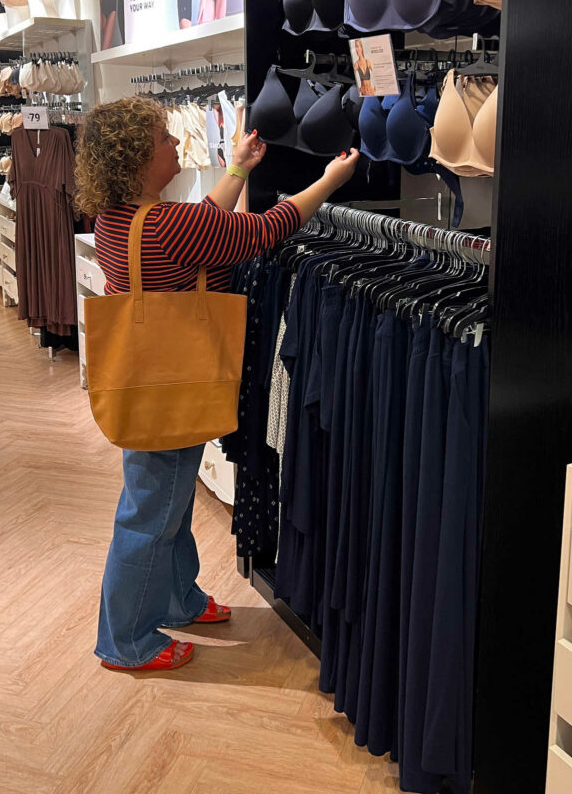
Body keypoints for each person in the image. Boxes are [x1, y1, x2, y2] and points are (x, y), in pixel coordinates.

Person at [74, 95, 359, 671]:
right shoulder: (171, 224)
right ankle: (123, 640)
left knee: (166, 506)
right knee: (149, 515)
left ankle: (179, 598)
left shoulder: (120, 220)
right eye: (162, 139)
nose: (175, 143)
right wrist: (329, 180)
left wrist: (236, 169)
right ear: (136, 159)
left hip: (149, 386)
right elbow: (262, 229)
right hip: (172, 389)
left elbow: (205, 227)